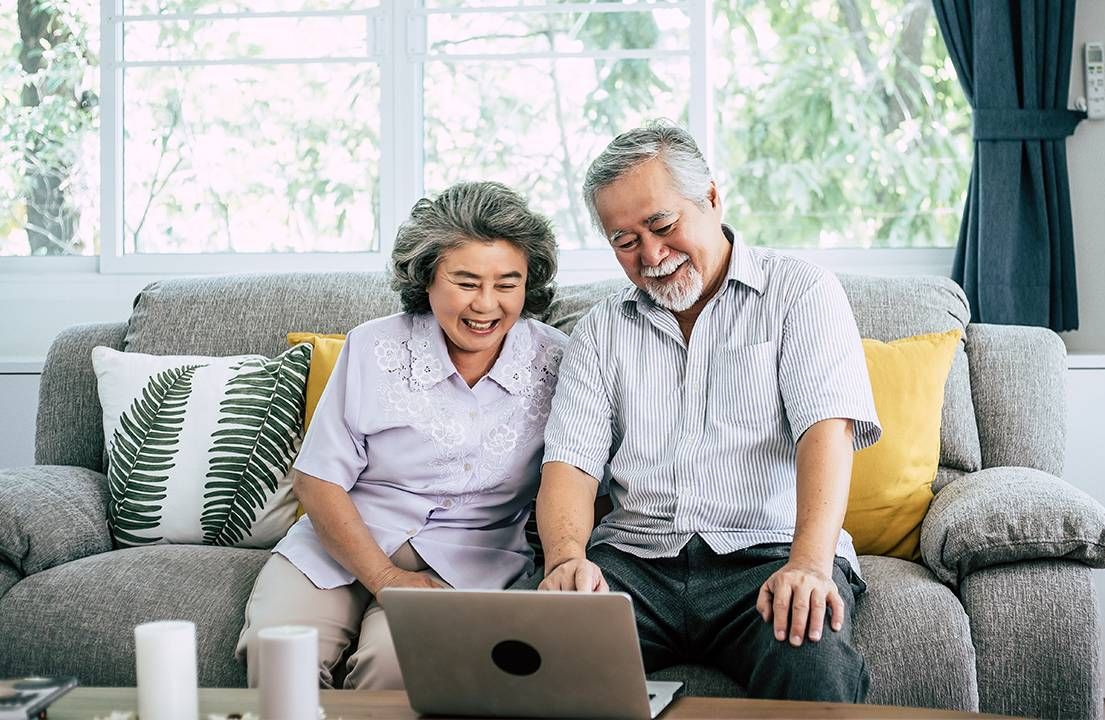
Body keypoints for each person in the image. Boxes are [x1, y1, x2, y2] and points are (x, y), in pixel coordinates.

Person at [527, 121, 882, 702]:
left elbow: (827, 431)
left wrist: (811, 564)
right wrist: (565, 561)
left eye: (662, 225)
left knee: (814, 668)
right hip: (634, 564)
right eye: (624, 240)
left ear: (712, 198)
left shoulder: (800, 292)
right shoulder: (600, 331)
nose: (651, 254)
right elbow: (570, 464)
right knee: (527, 656)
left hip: (765, 556)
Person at [236, 181, 568, 690]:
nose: (486, 305)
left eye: (507, 283)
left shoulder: (559, 362)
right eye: (465, 281)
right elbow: (317, 479)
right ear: (427, 278)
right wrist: (386, 579)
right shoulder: (374, 347)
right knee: (277, 654)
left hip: (470, 561)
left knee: (397, 667)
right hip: (342, 540)